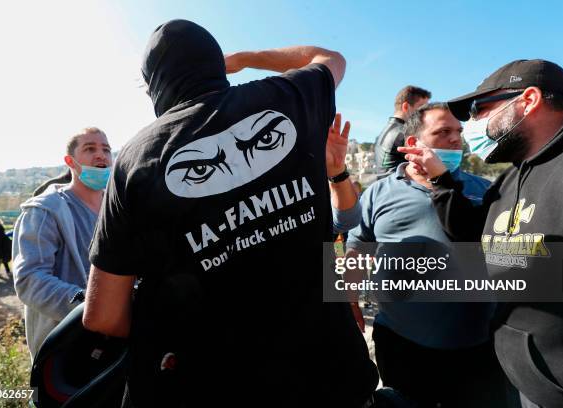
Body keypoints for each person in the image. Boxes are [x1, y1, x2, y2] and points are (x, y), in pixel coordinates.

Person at [82, 19, 377, 408]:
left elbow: (103, 316)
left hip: (214, 387)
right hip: (333, 376)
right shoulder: (288, 96)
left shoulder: (135, 161)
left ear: (154, 85)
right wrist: (242, 59)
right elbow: (329, 57)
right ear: (215, 65)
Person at [400, 59, 563, 408]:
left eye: (480, 109)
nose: (471, 125)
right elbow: (473, 235)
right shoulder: (511, 176)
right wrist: (441, 180)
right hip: (529, 384)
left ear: (528, 100)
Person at [346, 102, 506, 407]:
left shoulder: (485, 190)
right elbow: (355, 244)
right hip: (403, 345)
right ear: (412, 144)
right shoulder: (378, 193)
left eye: (458, 131)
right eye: (442, 131)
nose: (455, 138)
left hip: (477, 348)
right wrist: (347, 296)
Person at [12, 127, 112, 358]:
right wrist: (87, 305)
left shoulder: (118, 208)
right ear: (70, 161)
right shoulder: (45, 211)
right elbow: (30, 280)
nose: (101, 155)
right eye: (90, 149)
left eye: (106, 149)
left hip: (118, 339)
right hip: (67, 344)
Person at [374, 85, 431, 177]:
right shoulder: (405, 133)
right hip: (399, 187)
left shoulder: (385, 131)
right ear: (405, 107)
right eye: (422, 108)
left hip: (384, 186)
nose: (425, 113)